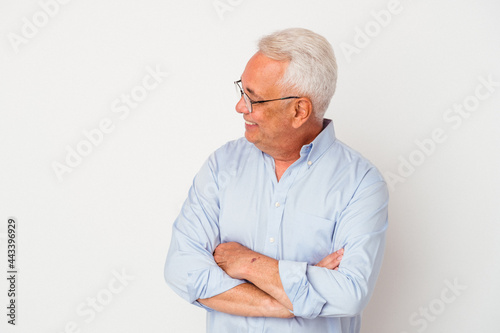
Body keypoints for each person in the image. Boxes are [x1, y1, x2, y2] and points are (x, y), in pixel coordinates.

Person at [164, 27, 389, 333]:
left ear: (299, 111)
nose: (240, 107)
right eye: (241, 91)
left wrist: (247, 264)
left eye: (253, 98)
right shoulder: (222, 166)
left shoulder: (361, 183)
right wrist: (283, 302)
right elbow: (181, 269)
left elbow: (349, 294)